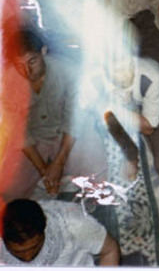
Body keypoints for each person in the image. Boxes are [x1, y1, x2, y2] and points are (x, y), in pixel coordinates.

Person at [1, 29, 107, 201]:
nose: (27, 71)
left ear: (43, 51)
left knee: (98, 180)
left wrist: (59, 163)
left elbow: (74, 120)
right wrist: (45, 171)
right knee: (9, 192)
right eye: (19, 65)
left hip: (68, 134)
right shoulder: (7, 83)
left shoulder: (69, 71)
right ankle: (52, 183)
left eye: (32, 61)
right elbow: (20, 133)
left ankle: (74, 184)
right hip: (36, 139)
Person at [90, 50, 159, 181]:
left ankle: (146, 138)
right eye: (115, 69)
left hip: (155, 100)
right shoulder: (93, 78)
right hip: (121, 105)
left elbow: (148, 128)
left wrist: (114, 108)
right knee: (103, 118)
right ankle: (130, 155)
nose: (123, 74)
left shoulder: (152, 75)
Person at [0, 199, 120, 266]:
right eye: (18, 252)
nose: (28, 257)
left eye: (34, 247)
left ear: (45, 227)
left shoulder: (73, 223)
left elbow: (110, 251)